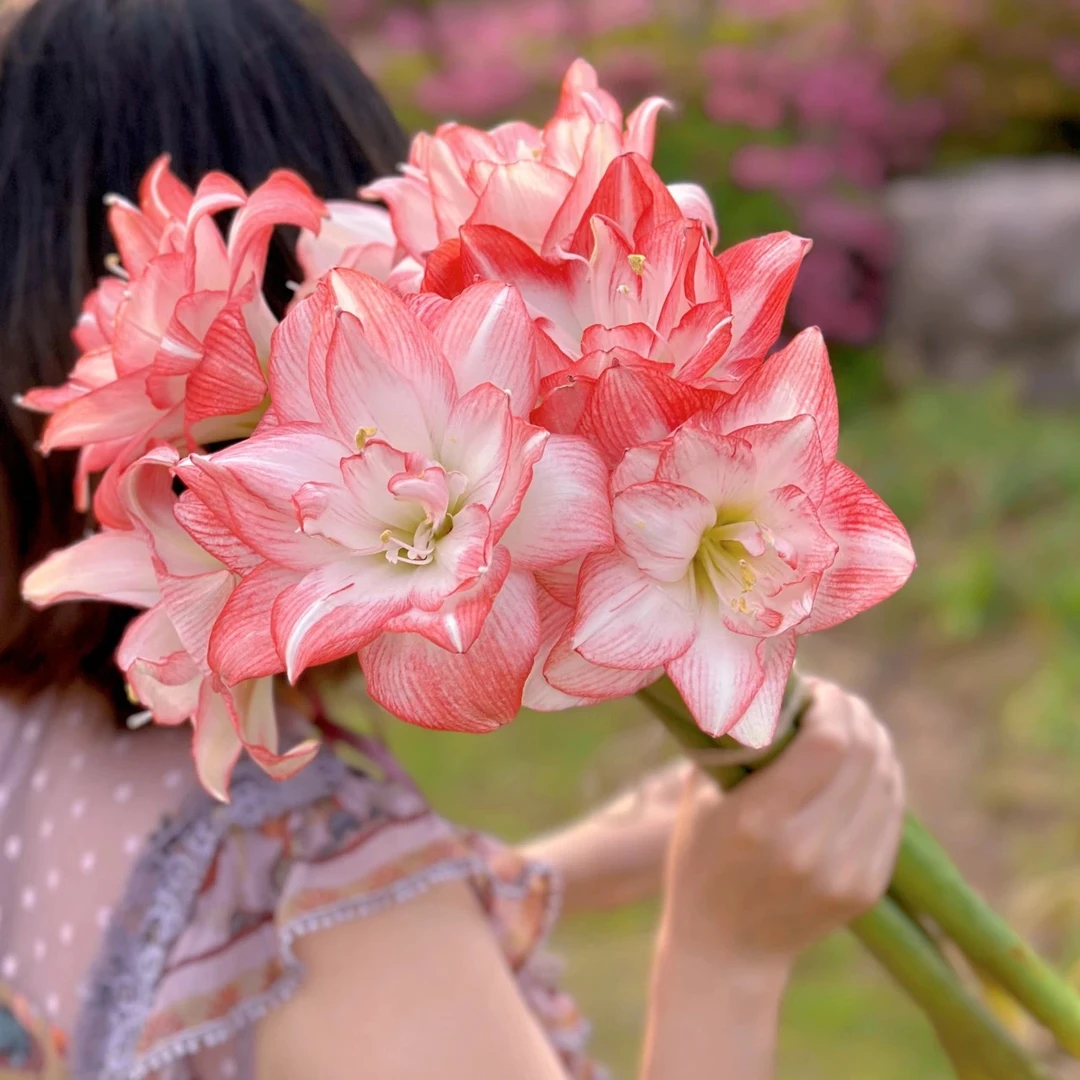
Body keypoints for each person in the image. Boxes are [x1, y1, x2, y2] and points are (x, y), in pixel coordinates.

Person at [0, 1, 906, 1077]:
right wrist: (728, 954)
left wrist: (572, 868)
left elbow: (211, 961)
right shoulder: (344, 914)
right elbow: (343, 949)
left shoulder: (44, 741)